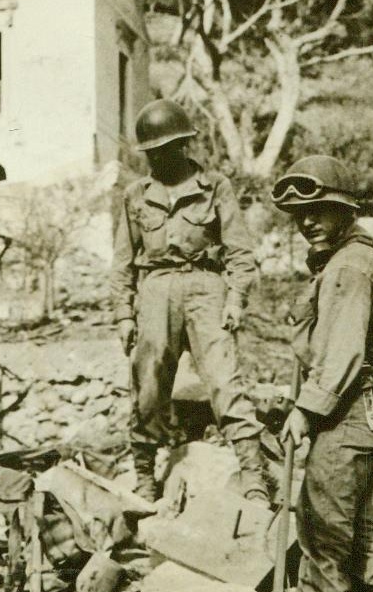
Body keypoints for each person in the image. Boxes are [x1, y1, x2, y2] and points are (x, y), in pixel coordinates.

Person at [251, 154, 373, 592]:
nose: (307, 221)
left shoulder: (348, 266)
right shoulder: (349, 258)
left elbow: (342, 351)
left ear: (346, 210)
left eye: (319, 210)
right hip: (364, 407)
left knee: (322, 519)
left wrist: (305, 410)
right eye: (300, 214)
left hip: (352, 408)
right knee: (357, 522)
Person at [111, 99, 271, 504]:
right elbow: (123, 261)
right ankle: (145, 475)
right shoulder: (135, 195)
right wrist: (124, 315)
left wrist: (235, 299)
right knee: (148, 385)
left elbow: (239, 250)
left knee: (224, 380)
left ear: (183, 145)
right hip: (156, 289)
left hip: (206, 286)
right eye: (152, 152)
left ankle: (253, 475)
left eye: (167, 149)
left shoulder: (214, 187)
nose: (159, 158)